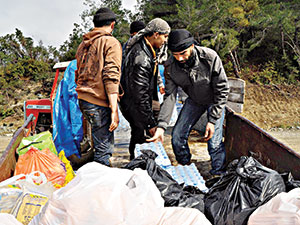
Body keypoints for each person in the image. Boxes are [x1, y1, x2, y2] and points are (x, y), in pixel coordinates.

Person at [148, 29, 229, 176]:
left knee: (214, 142)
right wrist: (161, 125)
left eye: (183, 53)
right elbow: (170, 96)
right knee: (177, 136)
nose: (179, 58)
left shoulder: (210, 58)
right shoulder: (170, 65)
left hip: (214, 100)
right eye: (175, 54)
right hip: (194, 101)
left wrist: (213, 119)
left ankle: (218, 174)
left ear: (192, 46)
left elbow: (222, 90)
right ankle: (185, 168)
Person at [75, 7, 122, 166]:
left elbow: (78, 73)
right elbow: (111, 76)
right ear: (112, 25)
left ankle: (96, 176)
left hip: (83, 99)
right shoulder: (110, 42)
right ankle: (101, 185)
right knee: (104, 148)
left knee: (98, 141)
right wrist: (114, 109)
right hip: (98, 101)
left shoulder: (83, 44)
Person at [119, 18, 170, 160]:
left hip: (138, 102)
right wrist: (150, 123)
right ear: (155, 34)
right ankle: (137, 166)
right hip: (134, 104)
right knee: (140, 135)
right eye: (164, 37)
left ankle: (138, 163)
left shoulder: (147, 50)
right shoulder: (141, 57)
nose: (165, 41)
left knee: (139, 132)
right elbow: (139, 95)